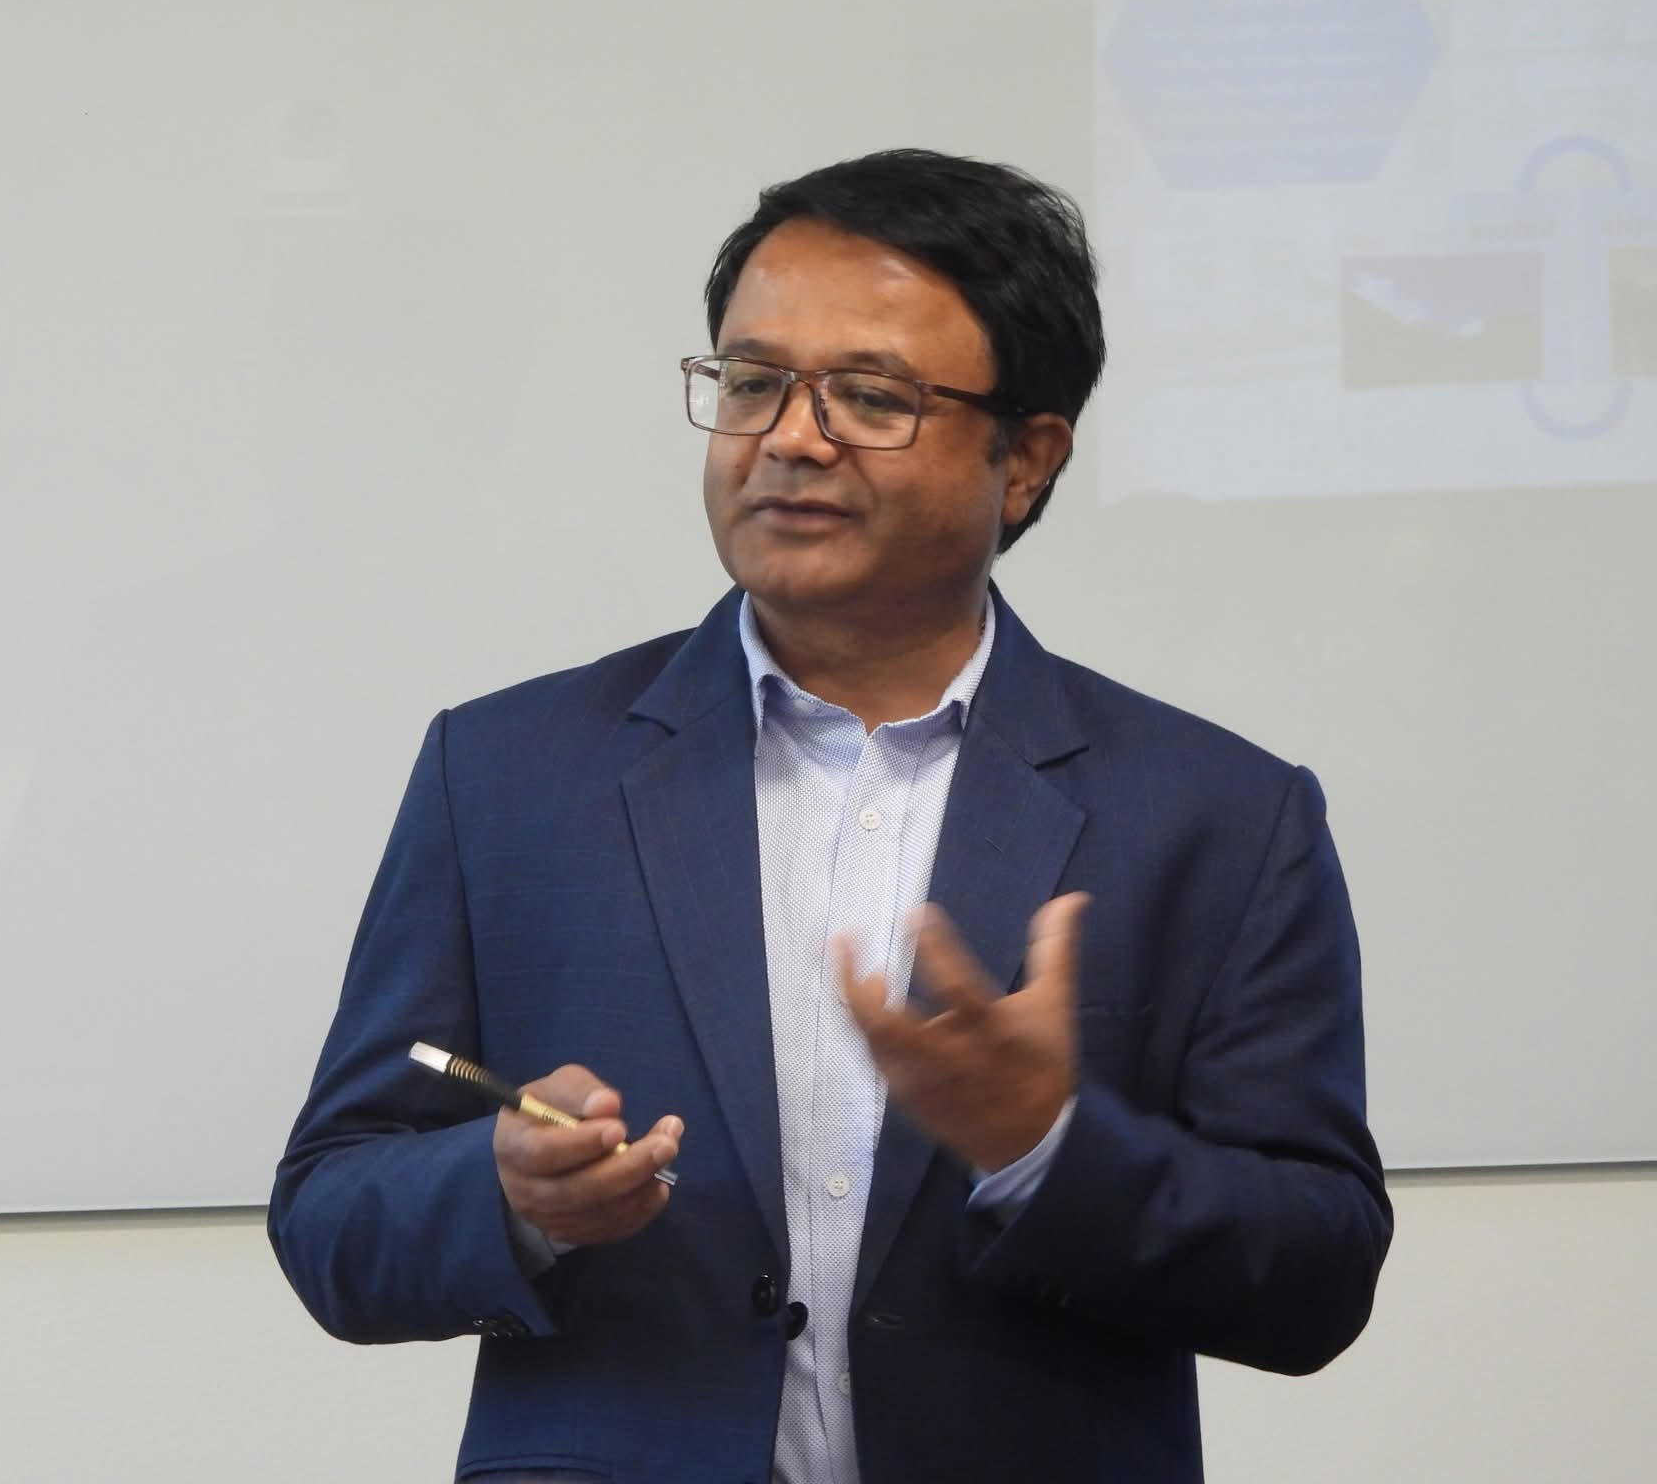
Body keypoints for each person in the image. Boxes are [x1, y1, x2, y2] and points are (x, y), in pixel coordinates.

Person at [269, 149, 1391, 1484]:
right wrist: (506, 1194)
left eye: (870, 397)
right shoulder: (509, 773)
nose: (790, 439)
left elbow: (1317, 1275)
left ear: (1026, 460)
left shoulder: (1217, 815)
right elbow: (332, 1209)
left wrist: (1047, 1147)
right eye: (752, 382)